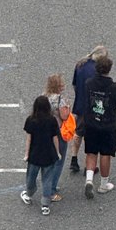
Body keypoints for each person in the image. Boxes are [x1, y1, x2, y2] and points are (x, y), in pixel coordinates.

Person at [82, 53, 116, 197]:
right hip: (108, 124)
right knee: (105, 153)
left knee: (91, 152)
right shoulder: (114, 87)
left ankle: (89, 180)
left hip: (91, 122)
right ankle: (104, 185)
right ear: (109, 69)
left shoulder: (88, 83)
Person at [69, 45, 107, 174]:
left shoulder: (80, 64)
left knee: (78, 132)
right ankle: (89, 167)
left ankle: (73, 160)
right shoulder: (97, 70)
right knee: (92, 136)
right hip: (93, 108)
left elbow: (74, 84)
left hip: (80, 104)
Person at [20, 95, 60, 216]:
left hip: (35, 155)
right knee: (47, 180)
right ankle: (45, 205)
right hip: (49, 155)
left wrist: (26, 154)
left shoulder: (31, 120)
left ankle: (29, 193)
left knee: (31, 177)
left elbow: (29, 139)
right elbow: (55, 138)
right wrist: (58, 153)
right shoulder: (52, 120)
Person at [45, 73, 71, 201]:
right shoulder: (61, 100)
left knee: (48, 161)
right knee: (58, 161)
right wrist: (68, 108)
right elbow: (65, 116)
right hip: (58, 133)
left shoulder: (44, 97)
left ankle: (47, 184)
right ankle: (51, 190)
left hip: (45, 132)